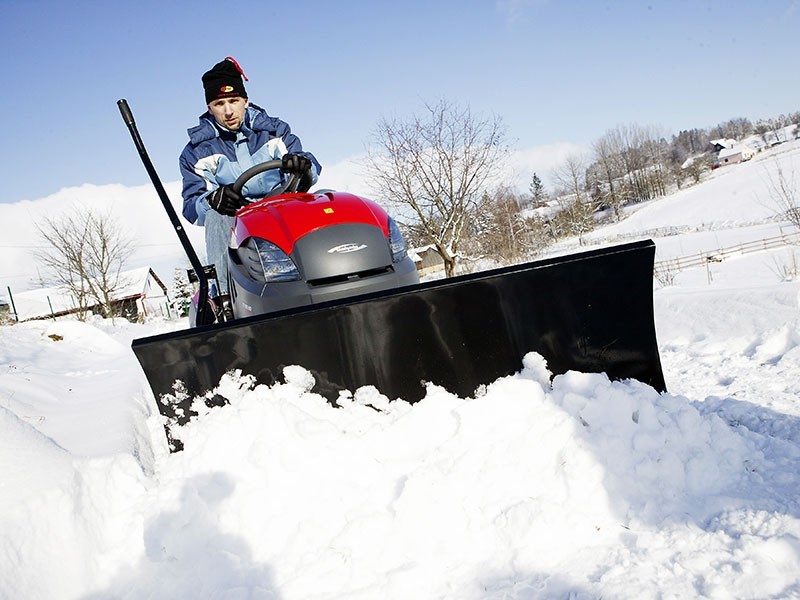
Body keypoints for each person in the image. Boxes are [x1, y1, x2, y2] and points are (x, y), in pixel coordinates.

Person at [179, 56, 321, 316]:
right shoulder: (196, 152)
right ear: (209, 107)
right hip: (236, 223)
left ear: (245, 100)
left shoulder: (275, 132)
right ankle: (224, 301)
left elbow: (310, 164)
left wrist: (302, 165)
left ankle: (327, 278)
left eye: (233, 101)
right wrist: (213, 200)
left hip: (281, 211)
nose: (228, 111)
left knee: (324, 200)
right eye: (219, 103)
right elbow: (192, 206)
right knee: (216, 216)